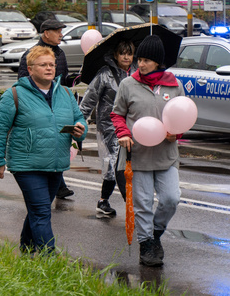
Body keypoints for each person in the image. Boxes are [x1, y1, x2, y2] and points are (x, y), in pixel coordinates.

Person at [0, 46, 86, 255]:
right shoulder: (15, 94)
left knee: (36, 210)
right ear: (30, 69)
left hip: (56, 163)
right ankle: (49, 257)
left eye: (52, 64)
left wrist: (80, 130)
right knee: (42, 211)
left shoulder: (66, 93)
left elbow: (79, 119)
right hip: (27, 164)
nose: (49, 68)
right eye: (43, 65)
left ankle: (26, 250)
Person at [111, 35, 183, 267]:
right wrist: (122, 133)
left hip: (166, 155)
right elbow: (117, 114)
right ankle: (147, 245)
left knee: (171, 199)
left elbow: (181, 116)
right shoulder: (127, 84)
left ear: (159, 62)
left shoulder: (175, 85)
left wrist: (177, 134)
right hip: (137, 154)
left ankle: (155, 232)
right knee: (142, 203)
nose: (140, 64)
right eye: (139, 59)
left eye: (146, 60)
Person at [17, 18, 75, 200]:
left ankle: (58, 184)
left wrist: (74, 79)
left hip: (58, 106)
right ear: (46, 33)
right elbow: (22, 82)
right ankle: (51, 186)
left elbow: (63, 80)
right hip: (39, 108)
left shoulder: (61, 54)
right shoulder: (32, 54)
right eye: (58, 31)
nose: (61, 34)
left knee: (57, 141)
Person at [79, 39, 135, 218]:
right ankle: (124, 203)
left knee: (128, 163)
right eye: (122, 53)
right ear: (116, 55)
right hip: (109, 125)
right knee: (115, 161)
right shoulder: (105, 74)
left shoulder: (137, 72)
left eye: (129, 53)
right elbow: (89, 99)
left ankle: (105, 200)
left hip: (132, 125)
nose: (126, 57)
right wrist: (80, 120)